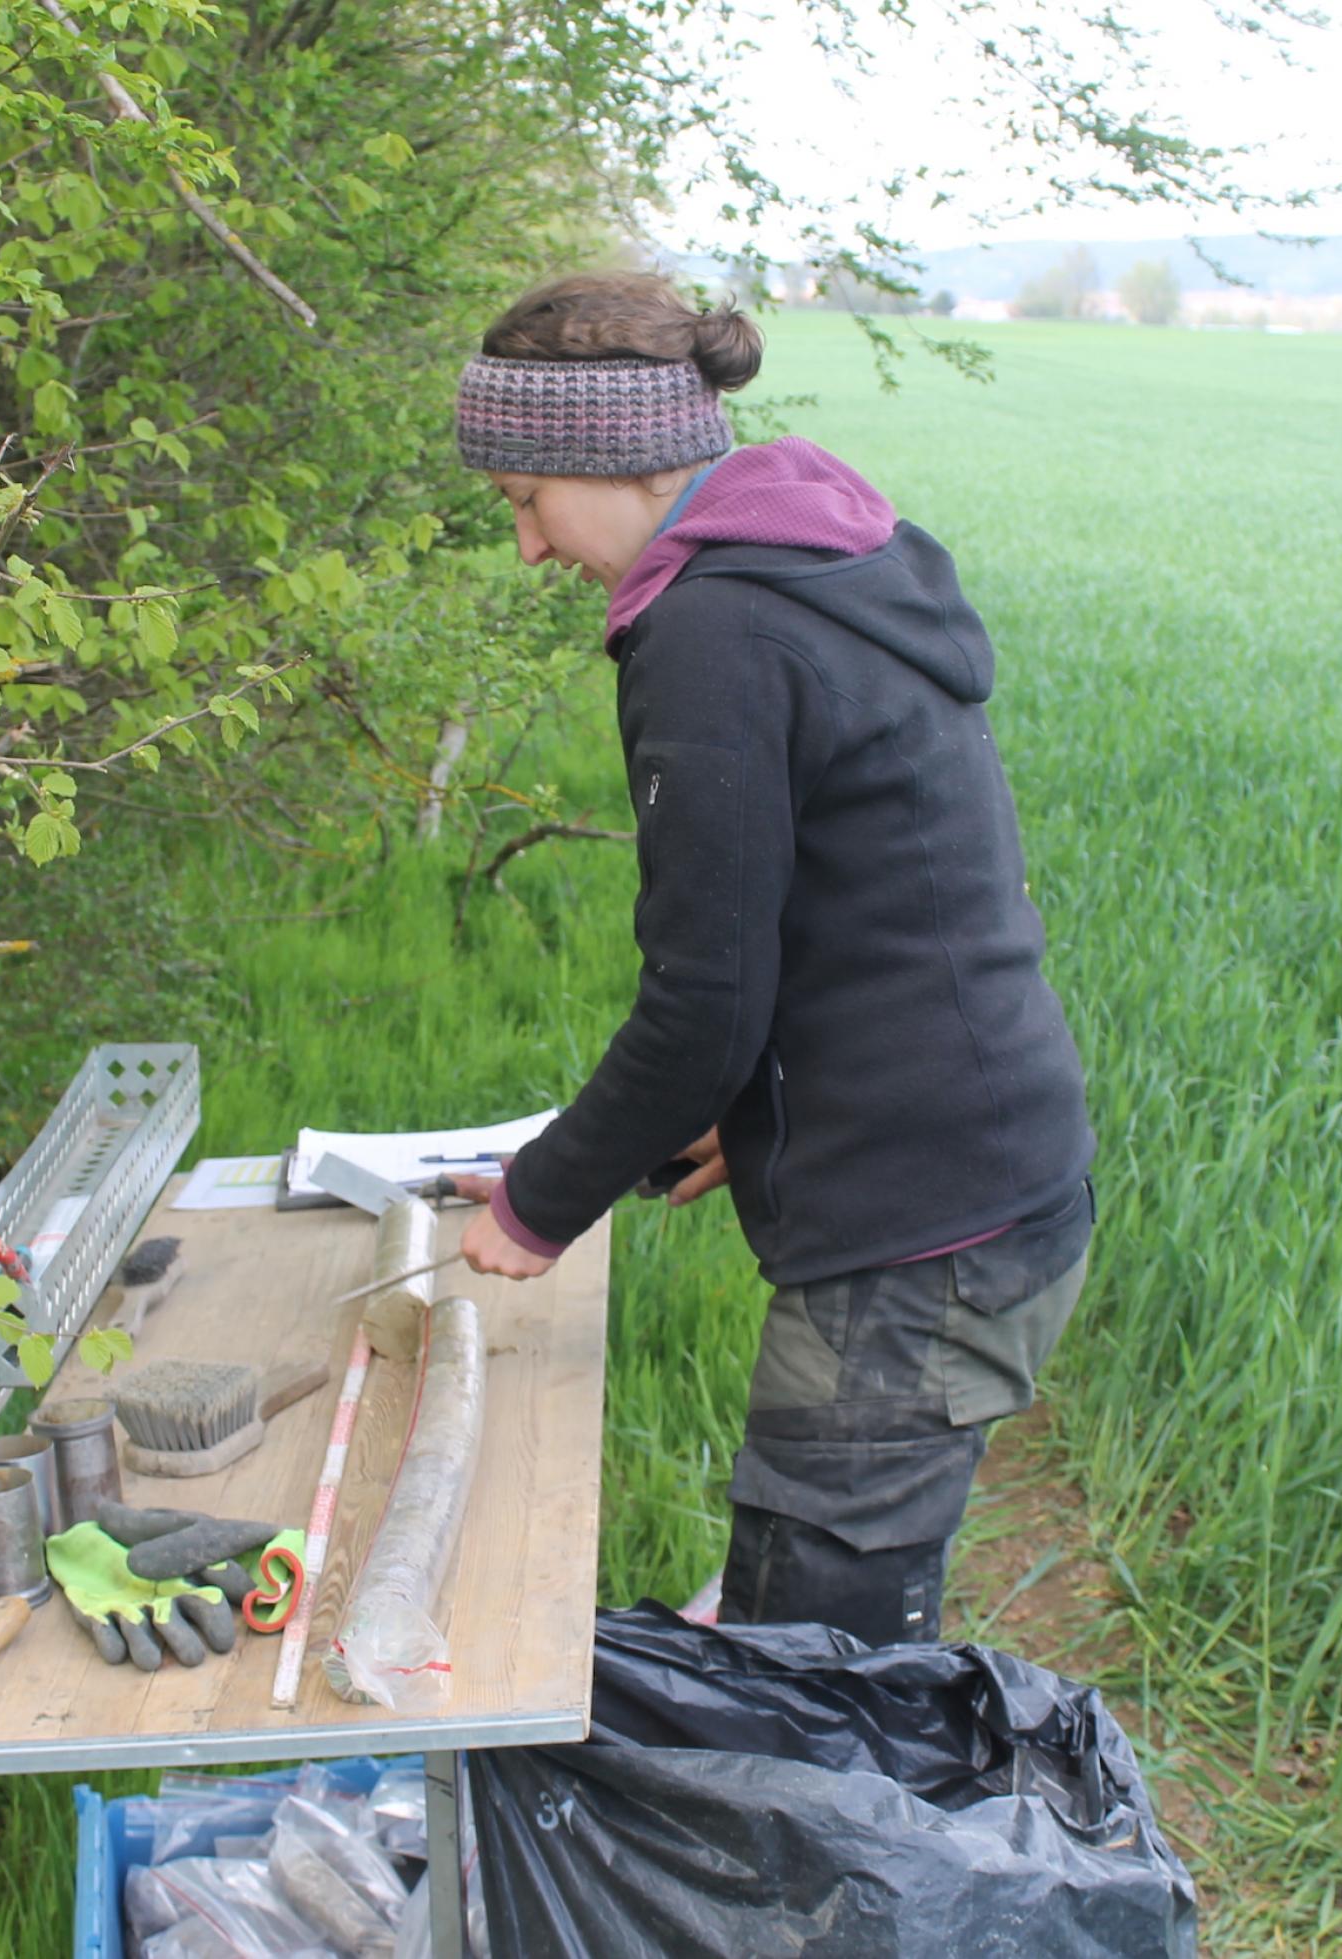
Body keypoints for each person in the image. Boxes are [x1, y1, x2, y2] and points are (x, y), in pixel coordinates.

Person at [448, 271, 1099, 1646]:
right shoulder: (826, 562)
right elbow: (879, 899)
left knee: (821, 1666)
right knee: (806, 1610)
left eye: (522, 502)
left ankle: (831, 1857)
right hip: (986, 1163)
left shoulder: (710, 630)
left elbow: (703, 999)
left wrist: (534, 1205)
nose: (525, 548)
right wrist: (747, 1115)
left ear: (606, 460)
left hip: (917, 1236)